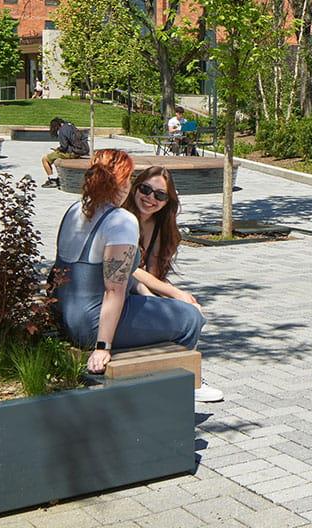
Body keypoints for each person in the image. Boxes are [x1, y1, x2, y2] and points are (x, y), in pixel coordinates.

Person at [52, 149, 215, 403]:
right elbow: (113, 290)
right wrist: (102, 348)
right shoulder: (121, 220)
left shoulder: (74, 210)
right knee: (191, 318)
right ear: (124, 181)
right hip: (92, 325)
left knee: (170, 309)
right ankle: (181, 387)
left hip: (66, 316)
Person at [119, 166, 223, 402]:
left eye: (160, 195)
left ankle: (184, 374)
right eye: (146, 189)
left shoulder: (157, 226)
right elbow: (130, 270)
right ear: (136, 188)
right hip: (119, 296)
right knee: (183, 313)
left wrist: (167, 298)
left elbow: (152, 273)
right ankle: (188, 379)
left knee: (190, 311)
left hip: (137, 293)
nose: (150, 198)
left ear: (168, 201)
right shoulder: (123, 220)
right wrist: (172, 294)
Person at [41, 117, 89, 188]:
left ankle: (52, 180)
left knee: (45, 159)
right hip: (81, 150)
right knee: (54, 156)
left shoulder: (62, 130)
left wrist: (58, 150)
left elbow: (64, 147)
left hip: (72, 152)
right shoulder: (70, 126)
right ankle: (57, 178)